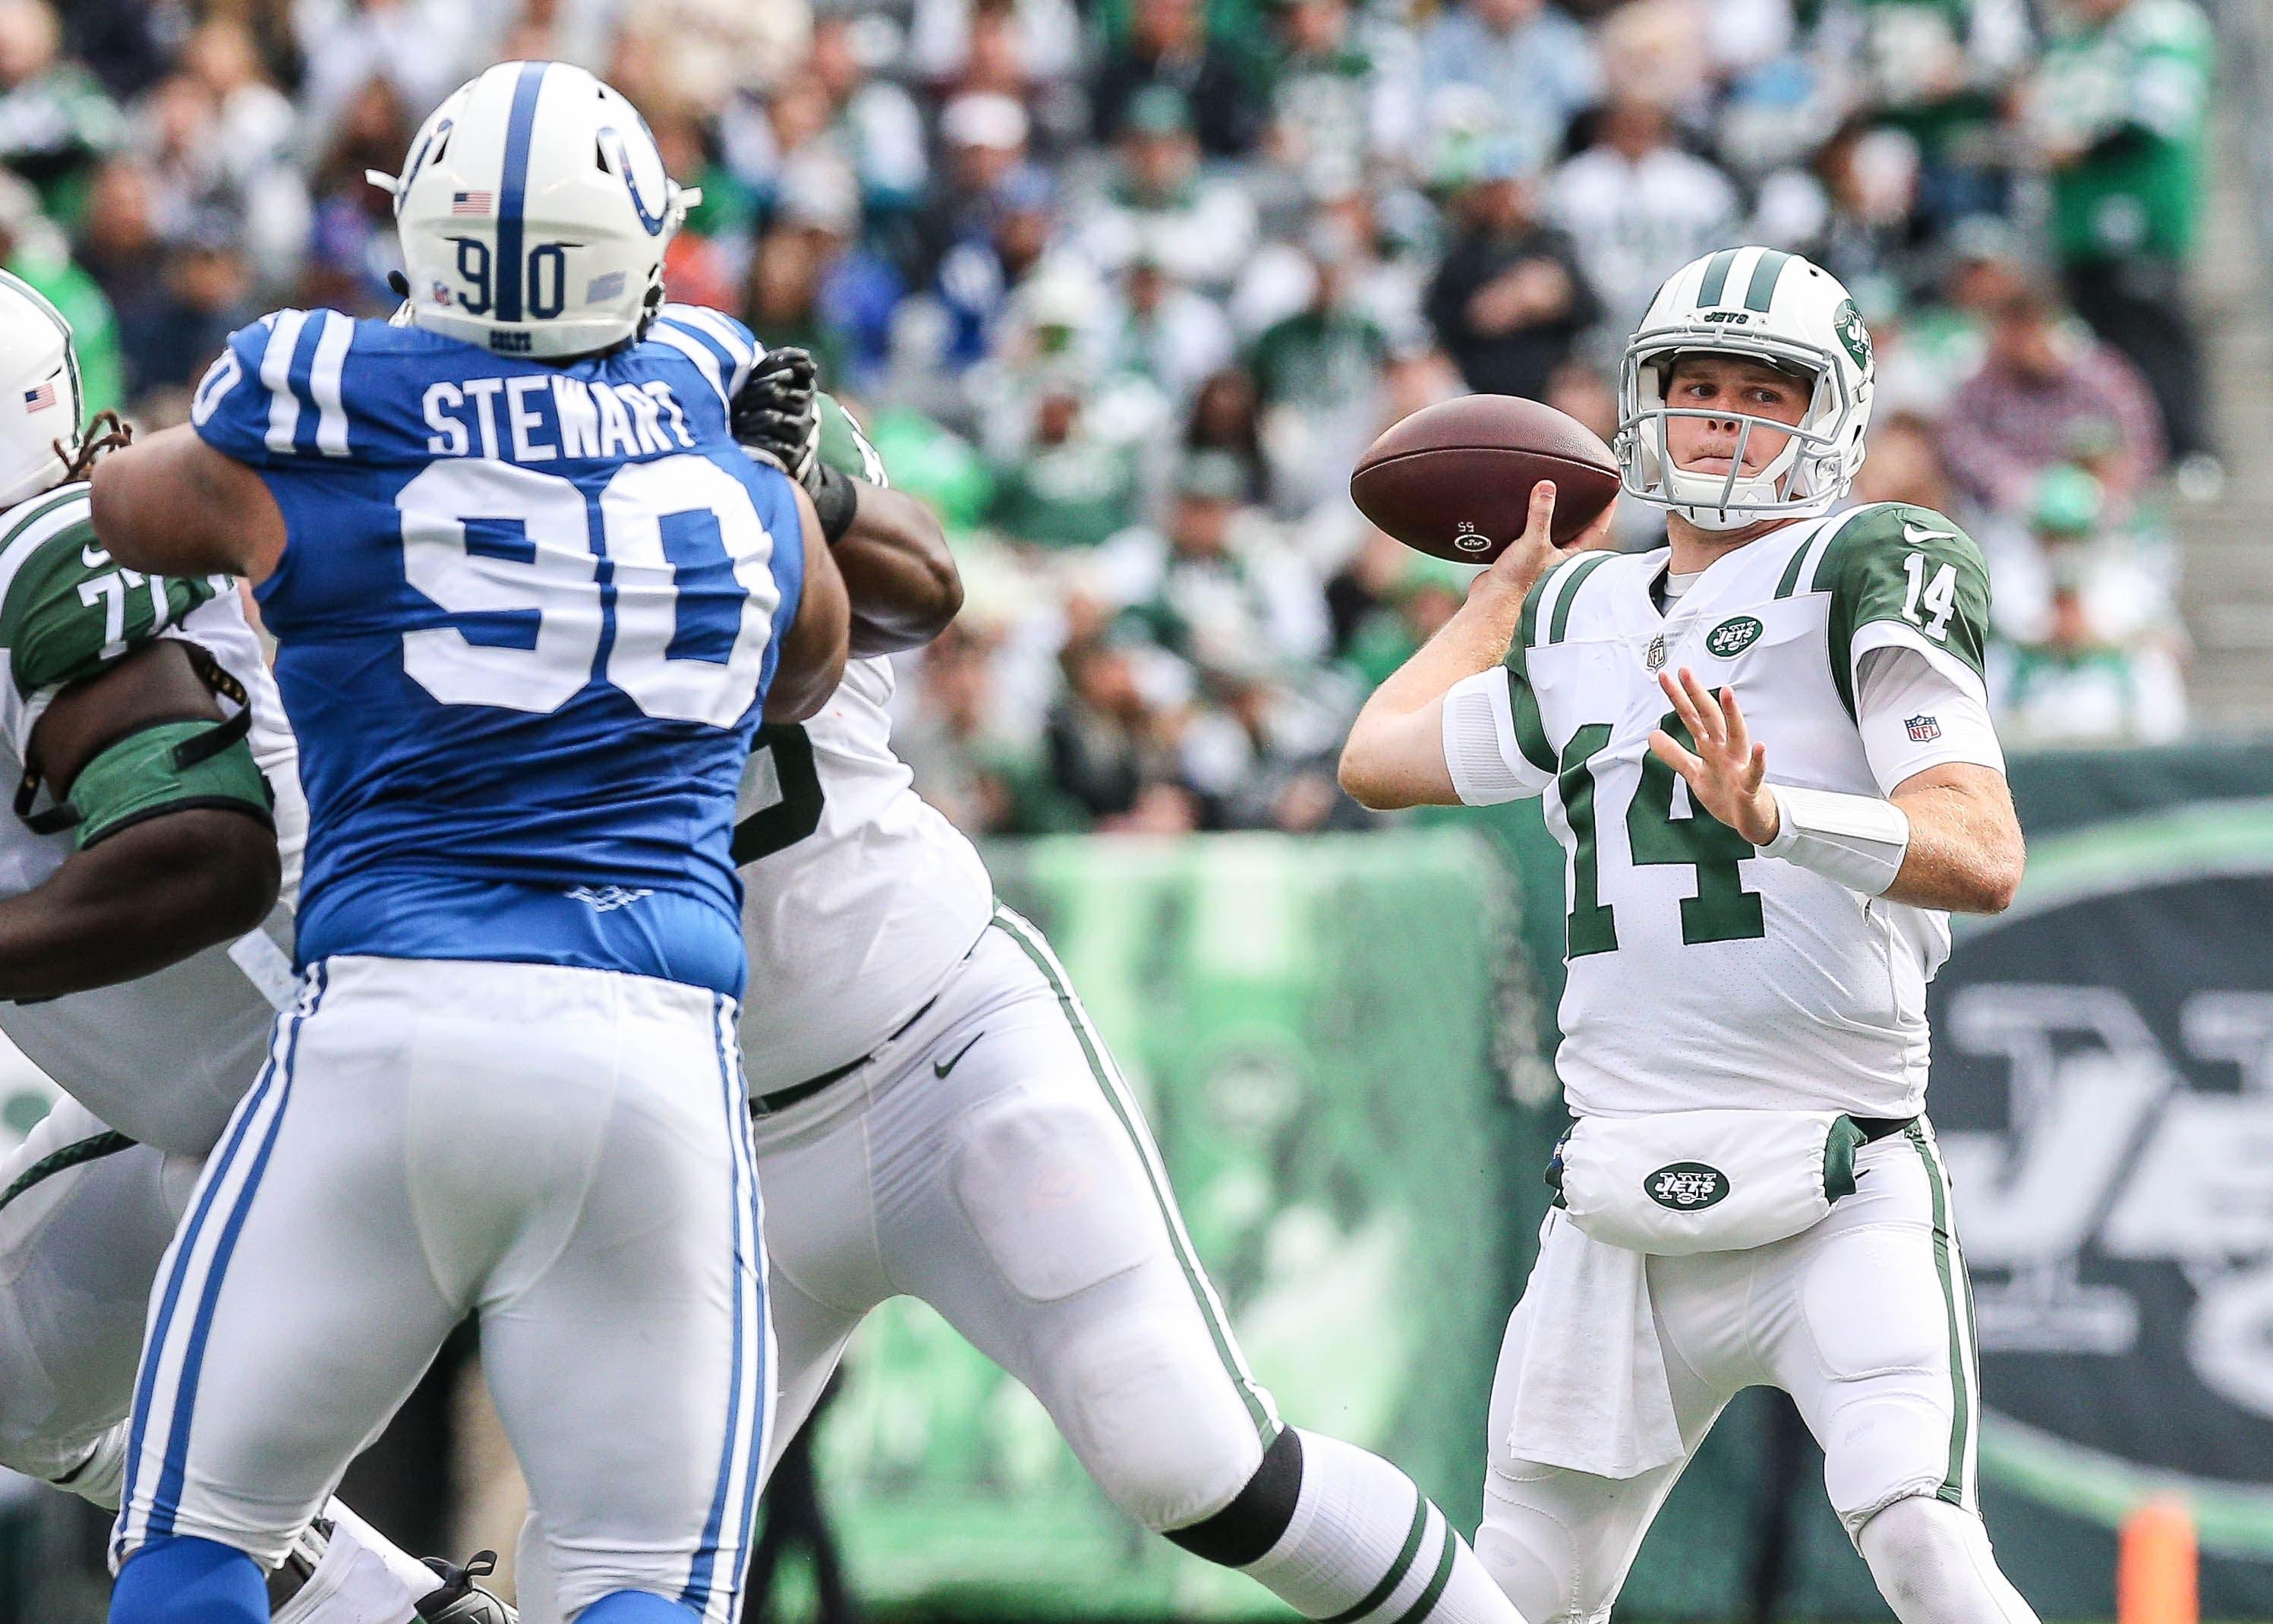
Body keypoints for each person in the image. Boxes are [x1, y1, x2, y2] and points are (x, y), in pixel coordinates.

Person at [524, 347, 1536, 1624]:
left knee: (1189, 1456)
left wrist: (787, 500)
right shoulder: (431, 488)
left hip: (930, 1048)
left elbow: (914, 595)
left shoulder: (719, 400)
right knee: (597, 1584)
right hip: (709, 1138)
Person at [88, 61, 849, 1624]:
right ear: (642, 248)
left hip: (394, 1024)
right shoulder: (723, 453)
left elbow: (137, 513)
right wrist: (756, 470)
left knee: (196, 1542)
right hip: (655, 1056)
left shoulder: (320, 397)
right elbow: (811, 660)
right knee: (643, 1587)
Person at [1339, 246, 2041, 1624]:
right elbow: (1375, 758)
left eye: (1761, 392)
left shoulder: (1868, 563)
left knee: (1922, 1545)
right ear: (1638, 402)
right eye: (1695, 386)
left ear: (1828, 416)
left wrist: (1780, 816)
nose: (1721, 419)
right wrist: (1485, 611)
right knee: (1521, 1594)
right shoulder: (1576, 614)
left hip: (1833, 1172)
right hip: (1615, 1200)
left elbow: (1982, 851)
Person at [0, 274, 507, 1619]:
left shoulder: (50, 563)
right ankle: (389, 1604)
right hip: (223, 1117)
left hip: (344, 1088)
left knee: (185, 1545)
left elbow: (203, 858)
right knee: (14, 1377)